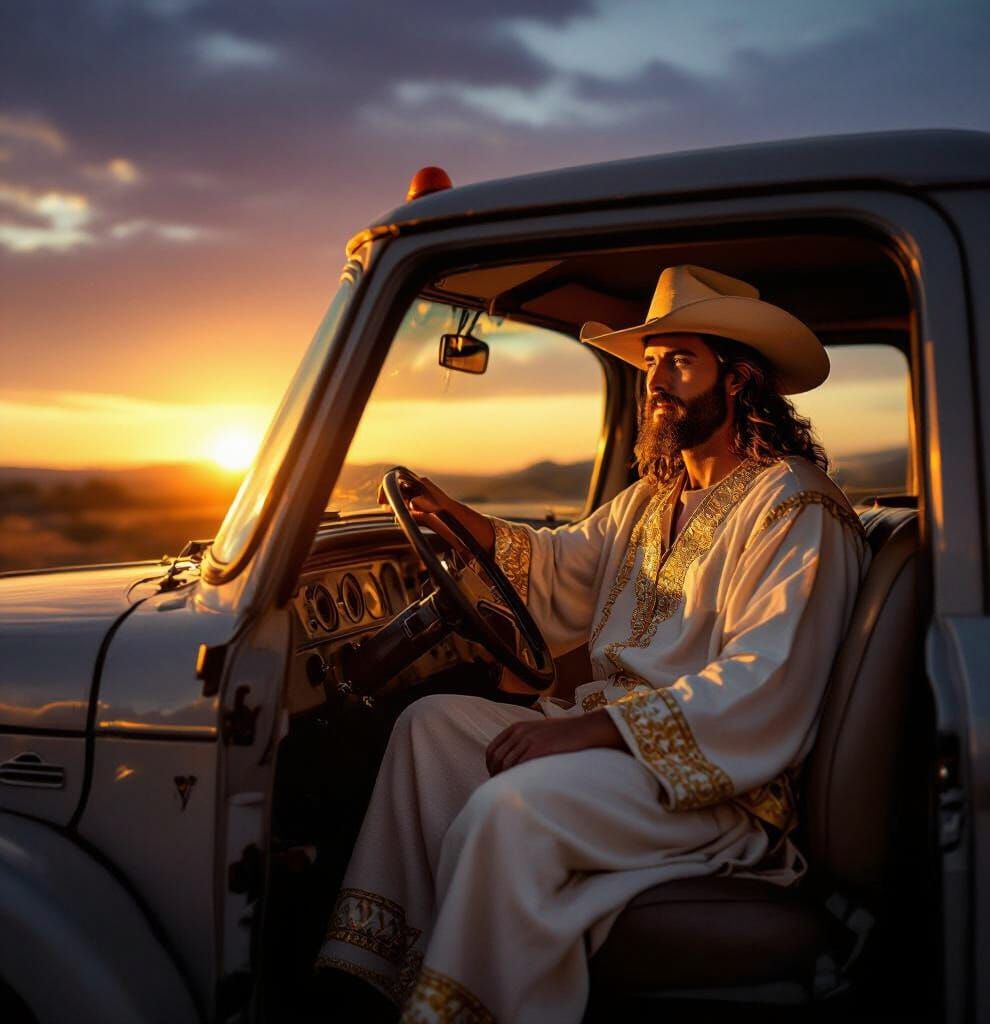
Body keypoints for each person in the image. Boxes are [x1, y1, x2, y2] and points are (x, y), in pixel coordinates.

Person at [315, 265, 869, 1023]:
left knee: (513, 808)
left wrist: (595, 727)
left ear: (737, 381)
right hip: (619, 746)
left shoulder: (793, 505)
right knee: (428, 728)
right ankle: (376, 980)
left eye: (678, 362)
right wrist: (462, 522)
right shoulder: (653, 498)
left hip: (715, 784)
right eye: (649, 367)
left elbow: (765, 677)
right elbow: (563, 569)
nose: (657, 385)